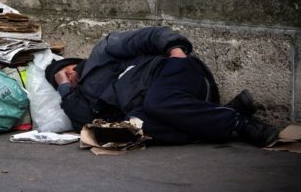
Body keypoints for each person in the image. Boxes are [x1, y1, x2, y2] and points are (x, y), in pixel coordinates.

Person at [45, 26, 279, 147]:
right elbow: (83, 124)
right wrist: (65, 89)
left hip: (172, 72)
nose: (69, 77)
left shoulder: (102, 53)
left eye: (67, 71)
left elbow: (148, 35)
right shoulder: (84, 98)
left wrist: (175, 49)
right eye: (62, 79)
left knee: (157, 101)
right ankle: (225, 114)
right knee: (132, 130)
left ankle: (240, 123)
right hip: (163, 106)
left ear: (75, 62)